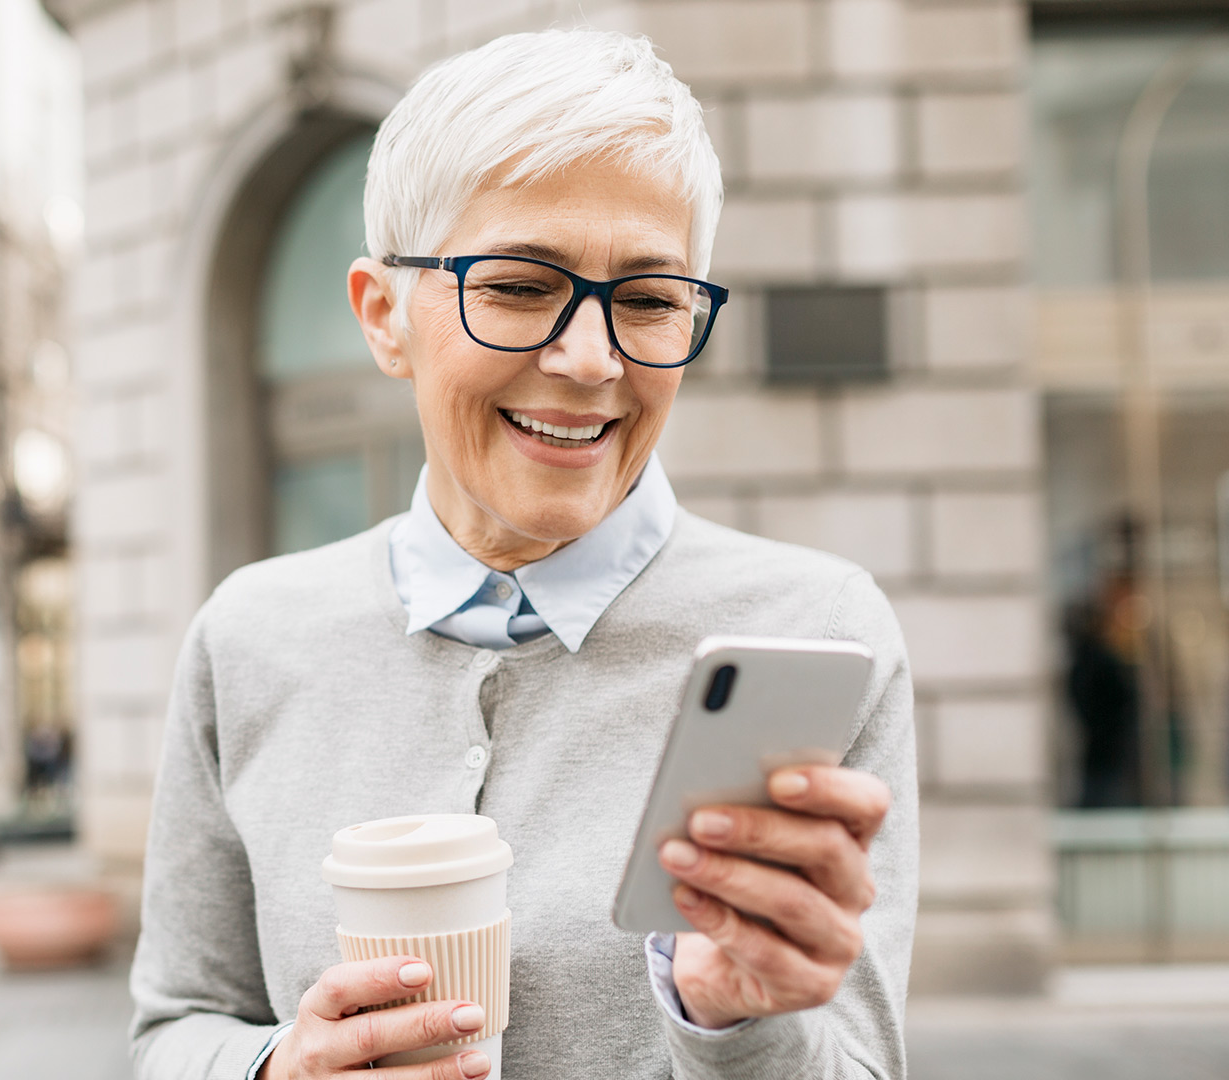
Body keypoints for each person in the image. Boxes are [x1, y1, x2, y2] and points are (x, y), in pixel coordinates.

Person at [129, 28, 916, 1080]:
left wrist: (739, 1025)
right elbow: (175, 1025)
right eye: (516, 286)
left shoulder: (813, 635)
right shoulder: (251, 636)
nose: (592, 360)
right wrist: (279, 1070)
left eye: (647, 300)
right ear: (384, 316)